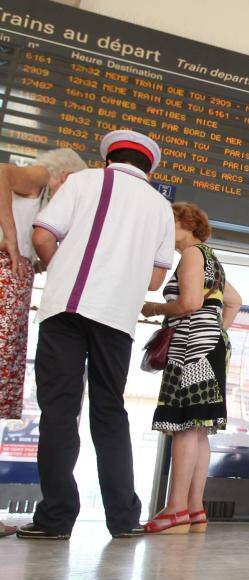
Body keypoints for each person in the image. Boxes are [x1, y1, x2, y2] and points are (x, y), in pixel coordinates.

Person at [17, 130, 175, 540]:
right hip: (117, 319)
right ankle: (123, 520)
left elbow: (42, 235)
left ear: (108, 159)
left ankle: (55, 519)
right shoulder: (161, 206)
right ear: (148, 167)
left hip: (65, 309)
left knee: (59, 412)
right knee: (109, 413)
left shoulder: (82, 182)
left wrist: (61, 268)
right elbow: (157, 279)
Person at [0, 149, 87, 539]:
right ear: (63, 174)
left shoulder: (45, 201)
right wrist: (12, 243)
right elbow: (1, 172)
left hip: (15, 285)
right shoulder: (37, 176)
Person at [141, 202, 242, 535]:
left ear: (185, 223)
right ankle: (195, 509)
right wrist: (218, 330)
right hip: (209, 348)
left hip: (191, 349)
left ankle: (175, 510)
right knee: (198, 428)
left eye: (169, 222)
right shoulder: (211, 258)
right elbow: (234, 301)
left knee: (186, 424)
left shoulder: (192, 255)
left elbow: (189, 304)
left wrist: (156, 307)